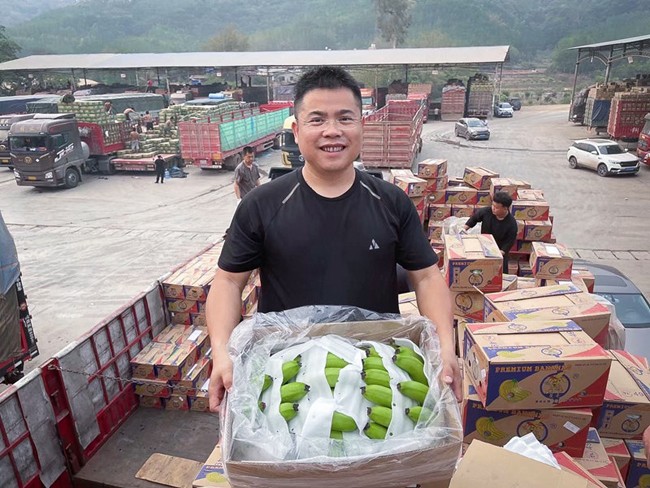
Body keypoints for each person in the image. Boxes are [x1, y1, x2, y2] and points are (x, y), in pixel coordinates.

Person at [205, 66, 460, 412]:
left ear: (361, 126)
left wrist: (445, 347)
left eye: (345, 118)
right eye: (317, 120)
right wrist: (222, 352)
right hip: (286, 378)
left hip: (377, 376)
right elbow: (228, 282)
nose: (332, 131)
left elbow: (427, 277)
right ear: (297, 131)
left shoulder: (391, 201)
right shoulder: (262, 205)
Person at [463, 192, 518, 273]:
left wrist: (500, 253)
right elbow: (474, 218)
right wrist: (464, 229)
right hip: (484, 246)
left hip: (499, 251)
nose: (493, 208)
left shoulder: (511, 223)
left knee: (499, 274)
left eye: (496, 207)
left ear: (505, 208)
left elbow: (510, 241)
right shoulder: (487, 212)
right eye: (492, 205)